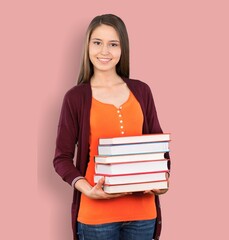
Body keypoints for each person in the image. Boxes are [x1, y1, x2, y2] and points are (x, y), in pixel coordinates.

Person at [53, 14, 170, 240]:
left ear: (122, 49)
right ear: (88, 46)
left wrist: (163, 181)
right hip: (96, 218)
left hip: (143, 215)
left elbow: (160, 149)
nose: (104, 51)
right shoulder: (76, 97)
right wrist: (87, 190)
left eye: (113, 44)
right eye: (97, 42)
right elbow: (61, 158)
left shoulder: (142, 91)